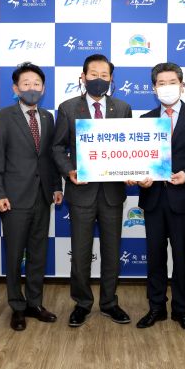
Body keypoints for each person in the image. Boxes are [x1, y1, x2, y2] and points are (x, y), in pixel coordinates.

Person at [52, 54, 132, 327]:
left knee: (112, 252)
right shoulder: (67, 108)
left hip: (112, 193)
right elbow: (57, 147)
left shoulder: (123, 108)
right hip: (81, 193)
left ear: (111, 79)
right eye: (94, 74)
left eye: (104, 75)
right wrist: (69, 171)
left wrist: (132, 170)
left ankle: (109, 303)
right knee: (80, 253)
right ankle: (82, 303)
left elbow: (128, 148)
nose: (99, 79)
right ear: (83, 77)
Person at [130, 63, 185, 332]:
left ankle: (181, 310)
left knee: (183, 257)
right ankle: (156, 307)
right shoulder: (145, 120)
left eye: (172, 82)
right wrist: (140, 176)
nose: (166, 87)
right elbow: (139, 159)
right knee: (154, 256)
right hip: (153, 198)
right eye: (161, 83)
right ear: (154, 88)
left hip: (184, 198)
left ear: (182, 85)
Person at [0, 62, 63, 331]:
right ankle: (17, 307)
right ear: (15, 88)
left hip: (42, 197)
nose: (32, 88)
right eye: (26, 83)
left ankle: (34, 303)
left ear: (43, 89)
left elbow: (50, 158)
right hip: (14, 199)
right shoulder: (3, 117)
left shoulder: (47, 117)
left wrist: (56, 186)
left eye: (36, 84)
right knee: (14, 256)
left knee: (38, 254)